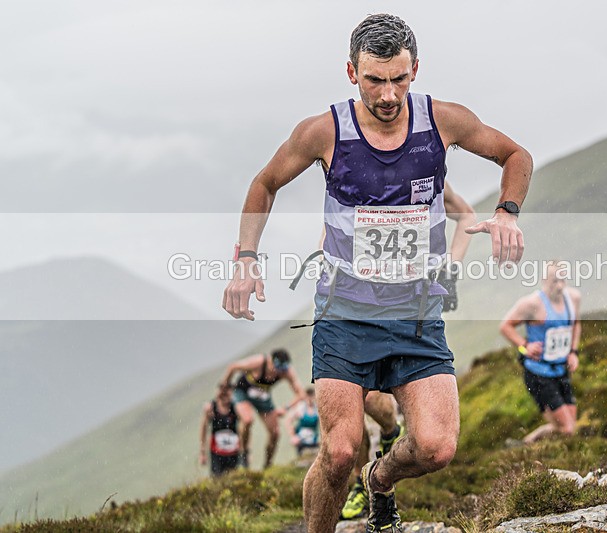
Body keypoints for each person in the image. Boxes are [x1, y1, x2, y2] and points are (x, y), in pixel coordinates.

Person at [222, 13, 531, 533]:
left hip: (415, 313)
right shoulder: (324, 132)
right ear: (351, 72)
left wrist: (507, 213)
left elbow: (515, 155)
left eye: (399, 79)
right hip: (345, 312)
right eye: (374, 80)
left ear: (415, 70)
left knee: (437, 447)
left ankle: (379, 480)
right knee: (340, 450)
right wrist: (245, 260)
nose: (388, 95)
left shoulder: (443, 121)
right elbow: (265, 183)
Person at [340, 181, 476, 520]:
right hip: (357, 310)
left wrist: (450, 270)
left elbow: (466, 216)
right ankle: (369, 466)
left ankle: (374, 472)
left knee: (424, 434)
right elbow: (332, 234)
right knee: (357, 407)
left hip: (410, 311)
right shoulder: (354, 172)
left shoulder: (426, 172)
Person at [499, 261, 582, 443]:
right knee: (567, 428)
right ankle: (528, 449)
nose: (559, 286)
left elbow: (576, 324)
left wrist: (573, 352)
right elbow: (505, 326)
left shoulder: (573, 298)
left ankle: (524, 445)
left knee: (568, 426)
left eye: (562, 280)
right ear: (544, 280)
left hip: (561, 370)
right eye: (554, 281)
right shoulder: (532, 304)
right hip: (539, 374)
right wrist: (524, 346)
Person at [222, 349, 307, 469]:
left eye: (282, 369)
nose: (278, 372)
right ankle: (244, 453)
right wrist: (224, 386)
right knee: (247, 420)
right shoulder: (258, 362)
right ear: (270, 360)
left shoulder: (287, 372)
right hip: (242, 392)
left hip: (262, 396)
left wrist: (286, 408)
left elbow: (301, 393)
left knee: (275, 433)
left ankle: (268, 464)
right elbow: (233, 367)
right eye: (276, 367)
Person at [199, 382, 240, 477]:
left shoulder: (235, 408)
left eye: (228, 391)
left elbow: (245, 428)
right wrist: (202, 452)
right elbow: (203, 429)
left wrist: (246, 452)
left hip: (234, 452)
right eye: (222, 391)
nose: (225, 394)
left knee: (234, 477)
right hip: (217, 453)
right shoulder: (211, 408)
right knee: (217, 478)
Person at [287, 387, 321, 456]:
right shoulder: (300, 407)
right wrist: (293, 436)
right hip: (301, 439)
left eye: (312, 395)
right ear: (305, 396)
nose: (310, 398)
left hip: (313, 438)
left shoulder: (318, 408)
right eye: (308, 395)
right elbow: (288, 421)